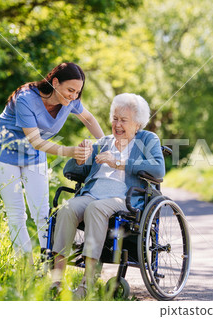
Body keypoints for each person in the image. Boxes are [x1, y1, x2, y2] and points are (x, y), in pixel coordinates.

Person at [0, 62, 104, 263]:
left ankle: (48, 264)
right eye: (70, 90)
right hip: (3, 151)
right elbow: (36, 141)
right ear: (55, 82)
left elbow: (89, 119)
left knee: (42, 212)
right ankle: (26, 266)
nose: (73, 96)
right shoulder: (26, 99)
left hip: (32, 154)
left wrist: (107, 144)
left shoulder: (71, 101)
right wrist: (70, 151)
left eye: (77, 92)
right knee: (17, 212)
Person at [51, 93, 165, 298]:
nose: (117, 124)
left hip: (124, 198)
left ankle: (87, 282)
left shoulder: (148, 139)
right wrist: (79, 158)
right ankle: (56, 281)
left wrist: (118, 163)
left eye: (124, 120)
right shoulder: (103, 142)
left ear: (137, 124)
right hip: (92, 193)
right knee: (67, 209)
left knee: (96, 208)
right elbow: (72, 171)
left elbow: (158, 170)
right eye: (115, 118)